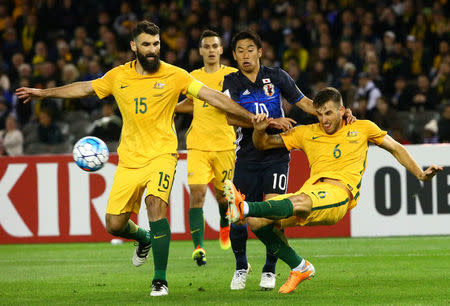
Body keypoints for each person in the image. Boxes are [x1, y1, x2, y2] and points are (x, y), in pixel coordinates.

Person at [16, 21, 255, 297]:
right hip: (130, 159)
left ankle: (160, 280)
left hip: (163, 155)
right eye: (146, 45)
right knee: (114, 225)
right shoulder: (119, 76)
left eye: (156, 44)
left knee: (155, 205)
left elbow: (212, 96)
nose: (152, 50)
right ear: (134, 46)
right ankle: (144, 239)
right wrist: (44, 93)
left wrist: (250, 117)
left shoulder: (175, 75)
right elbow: (86, 89)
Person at [224, 87, 442, 294]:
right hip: (312, 191)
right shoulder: (307, 132)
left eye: (328, 113)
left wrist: (421, 175)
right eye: (319, 114)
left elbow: (396, 148)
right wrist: (259, 131)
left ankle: (245, 207)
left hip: (339, 194)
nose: (324, 119)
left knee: (285, 203)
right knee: (258, 222)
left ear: (342, 110)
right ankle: (299, 266)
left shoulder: (363, 127)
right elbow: (263, 144)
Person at [222, 29, 354, 291]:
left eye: (250, 49)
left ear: (260, 52)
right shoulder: (232, 82)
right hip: (247, 156)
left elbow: (304, 102)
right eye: (240, 51)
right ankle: (240, 266)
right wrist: (270, 121)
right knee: (236, 217)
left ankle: (270, 270)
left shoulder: (277, 76)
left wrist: (336, 114)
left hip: (276, 155)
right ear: (234, 56)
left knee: (273, 216)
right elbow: (229, 116)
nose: (245, 55)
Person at [174, 30, 238, 266]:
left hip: (225, 145)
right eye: (206, 47)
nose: (211, 50)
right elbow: (190, 104)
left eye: (215, 46)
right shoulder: (193, 77)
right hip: (198, 145)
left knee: (223, 197)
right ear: (200, 51)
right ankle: (198, 247)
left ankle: (223, 225)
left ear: (221, 50)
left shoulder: (232, 75)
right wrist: (169, 108)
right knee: (197, 194)